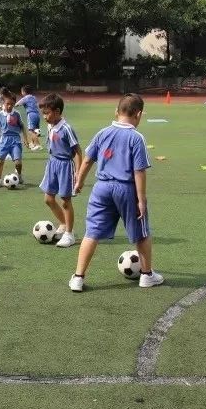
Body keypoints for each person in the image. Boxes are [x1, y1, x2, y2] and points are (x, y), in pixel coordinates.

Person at [69, 94, 163, 292]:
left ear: (116, 112)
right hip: (126, 189)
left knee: (91, 232)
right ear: (138, 114)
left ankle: (78, 277)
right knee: (142, 233)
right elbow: (139, 170)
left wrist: (79, 181)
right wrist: (141, 198)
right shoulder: (136, 138)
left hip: (101, 187)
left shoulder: (103, 133)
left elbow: (87, 159)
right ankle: (146, 275)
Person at [39, 93, 82, 248]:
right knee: (48, 199)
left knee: (65, 201)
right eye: (43, 113)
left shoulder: (66, 128)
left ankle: (69, 234)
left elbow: (78, 151)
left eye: (47, 113)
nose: (44, 117)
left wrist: (78, 172)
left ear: (57, 112)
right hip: (52, 164)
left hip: (65, 166)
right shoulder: (50, 124)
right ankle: (63, 224)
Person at [0, 89, 29, 189]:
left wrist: (25, 139)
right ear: (3, 103)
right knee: (0, 161)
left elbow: (22, 126)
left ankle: (19, 176)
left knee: (18, 163)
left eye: (12, 104)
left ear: (14, 104)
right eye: (7, 104)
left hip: (15, 140)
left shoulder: (17, 114)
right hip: (4, 140)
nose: (9, 106)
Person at [16, 85, 43, 152]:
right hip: (37, 115)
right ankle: (34, 144)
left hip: (31, 114)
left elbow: (17, 104)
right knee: (36, 130)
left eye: (21, 91)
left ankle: (38, 145)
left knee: (30, 131)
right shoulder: (34, 97)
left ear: (24, 92)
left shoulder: (25, 98)